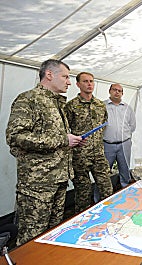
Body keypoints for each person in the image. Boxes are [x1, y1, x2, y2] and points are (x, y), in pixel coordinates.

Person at [6, 59, 83, 246]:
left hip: (58, 179)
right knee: (31, 237)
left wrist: (70, 141)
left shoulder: (57, 103)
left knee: (51, 234)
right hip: (38, 184)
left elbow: (53, 137)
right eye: (65, 77)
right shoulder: (29, 99)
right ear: (49, 74)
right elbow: (15, 136)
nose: (69, 82)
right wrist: (63, 140)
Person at [65, 72, 113, 213]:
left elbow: (103, 124)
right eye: (85, 81)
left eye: (91, 81)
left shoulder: (100, 105)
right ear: (78, 84)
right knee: (83, 193)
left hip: (98, 154)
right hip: (80, 156)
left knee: (107, 188)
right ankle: (83, 221)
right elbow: (66, 130)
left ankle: (110, 215)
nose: (89, 84)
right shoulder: (71, 106)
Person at [103, 83, 136, 188]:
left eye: (119, 91)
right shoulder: (102, 106)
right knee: (103, 173)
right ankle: (99, 199)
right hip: (107, 145)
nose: (117, 92)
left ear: (122, 93)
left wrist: (123, 136)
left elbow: (132, 126)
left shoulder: (127, 108)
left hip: (124, 144)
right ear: (110, 91)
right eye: (114, 90)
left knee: (125, 171)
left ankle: (125, 194)